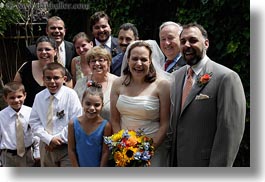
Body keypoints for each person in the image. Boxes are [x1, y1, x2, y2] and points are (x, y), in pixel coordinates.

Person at [168, 22, 246, 167]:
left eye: (193, 40)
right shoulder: (176, 77)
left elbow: (229, 133)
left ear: (206, 43)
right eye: (183, 41)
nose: (187, 45)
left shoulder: (226, 77)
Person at [110, 40, 170, 167]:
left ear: (150, 61)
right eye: (134, 59)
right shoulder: (117, 84)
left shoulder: (162, 85)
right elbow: (115, 120)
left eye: (143, 59)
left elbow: (165, 124)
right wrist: (122, 146)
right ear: (128, 60)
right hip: (126, 151)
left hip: (153, 149)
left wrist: (147, 151)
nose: (139, 63)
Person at [29, 62, 82, 167]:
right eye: (48, 78)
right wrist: (49, 139)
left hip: (66, 145)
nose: (52, 82)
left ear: (64, 79)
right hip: (46, 145)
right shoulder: (39, 97)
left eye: (56, 78)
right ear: (43, 79)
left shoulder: (71, 95)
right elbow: (34, 121)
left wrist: (57, 139)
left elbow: (76, 119)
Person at [14, 35, 73, 107]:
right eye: (40, 50)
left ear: (55, 51)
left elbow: (69, 97)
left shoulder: (63, 71)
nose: (43, 52)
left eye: (47, 49)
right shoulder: (26, 68)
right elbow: (14, 91)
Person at [68, 82, 112, 167]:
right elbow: (71, 150)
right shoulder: (73, 124)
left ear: (102, 105)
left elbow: (105, 151)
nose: (92, 108)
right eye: (88, 104)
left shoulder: (106, 126)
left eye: (97, 105)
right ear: (82, 103)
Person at [0, 81, 40, 167]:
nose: (16, 100)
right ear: (5, 98)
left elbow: (36, 134)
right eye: (12, 98)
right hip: (8, 156)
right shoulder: (1, 116)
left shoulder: (31, 112)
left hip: (28, 154)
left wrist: (37, 152)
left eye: (19, 96)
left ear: (25, 95)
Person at [74, 46, 118, 121]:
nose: (97, 64)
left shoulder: (117, 82)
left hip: (111, 130)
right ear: (89, 64)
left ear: (108, 63)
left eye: (101, 60)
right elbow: (73, 108)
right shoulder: (80, 83)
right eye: (93, 61)